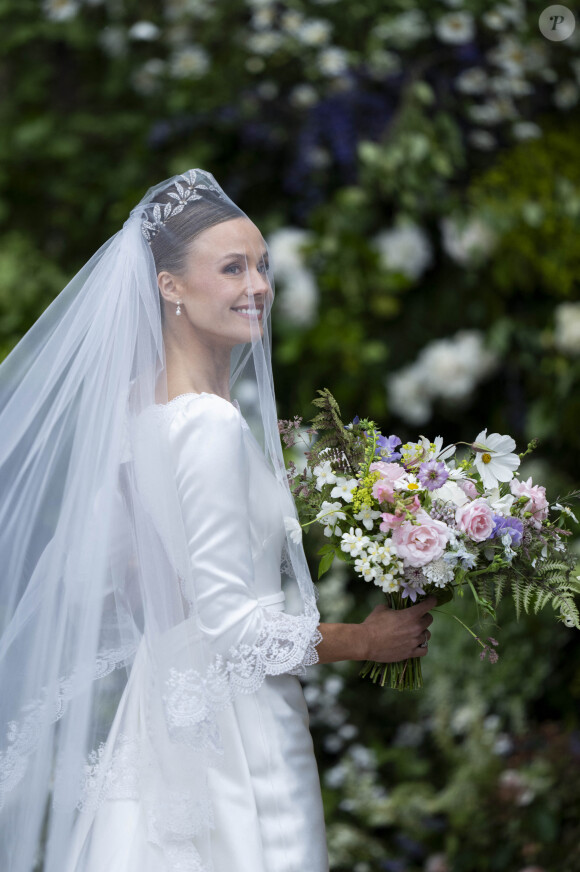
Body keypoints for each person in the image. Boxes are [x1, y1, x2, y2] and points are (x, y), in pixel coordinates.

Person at [0, 169, 435, 872]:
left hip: (170, 711)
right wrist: (367, 639)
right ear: (169, 286)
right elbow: (234, 628)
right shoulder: (207, 423)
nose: (258, 285)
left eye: (261, 266)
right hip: (239, 733)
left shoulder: (138, 411)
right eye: (232, 268)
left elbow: (131, 582)